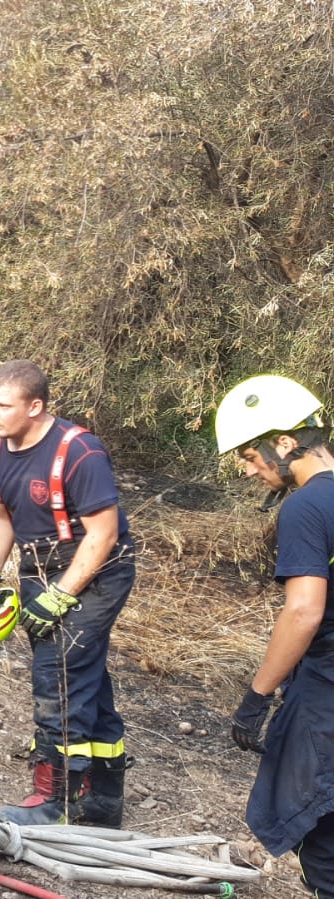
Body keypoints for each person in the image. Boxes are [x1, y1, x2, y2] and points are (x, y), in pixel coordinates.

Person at [0, 359, 135, 826]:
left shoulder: (80, 452)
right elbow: (0, 516)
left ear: (35, 406)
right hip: (38, 567)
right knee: (86, 677)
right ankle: (103, 801)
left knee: (57, 672)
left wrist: (62, 596)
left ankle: (58, 798)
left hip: (97, 570)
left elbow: (103, 536)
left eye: (3, 406)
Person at [214, 374, 334, 896]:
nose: (248, 469)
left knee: (319, 828)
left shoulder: (307, 507)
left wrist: (256, 696)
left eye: (249, 455)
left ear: (285, 443)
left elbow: (303, 613)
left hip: (327, 689)